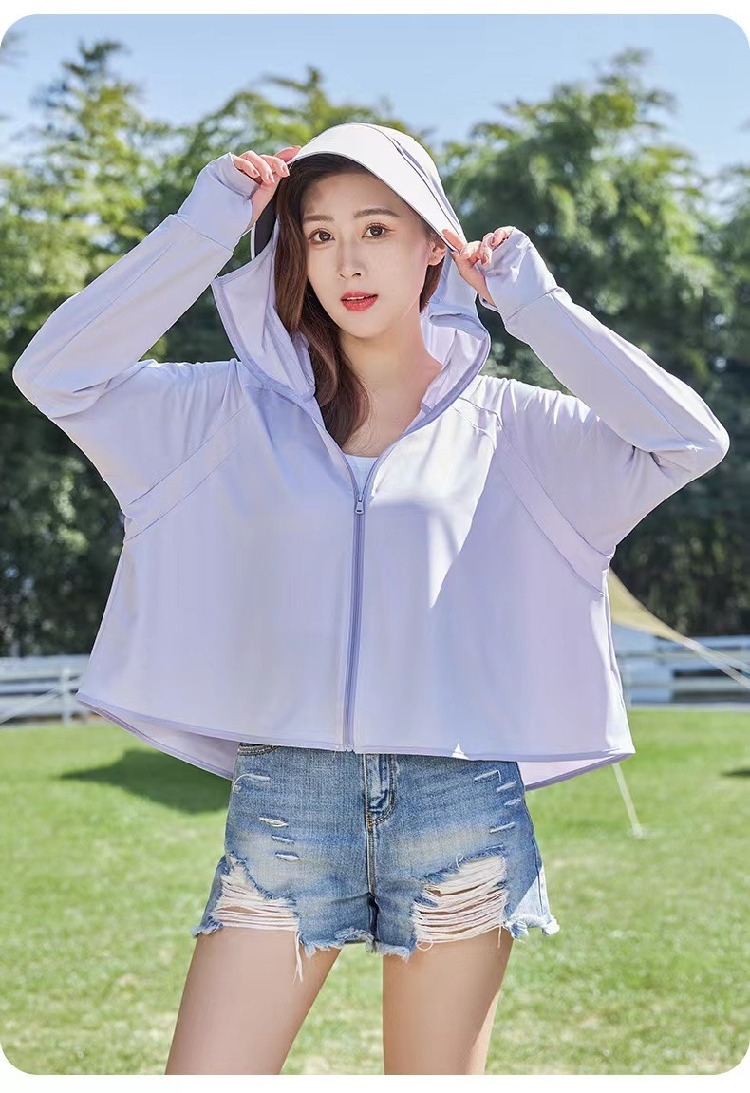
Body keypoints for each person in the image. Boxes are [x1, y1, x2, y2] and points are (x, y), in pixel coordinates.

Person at [12, 123, 730, 1075]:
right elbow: (54, 374)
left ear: (435, 243)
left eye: (378, 229)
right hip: (288, 804)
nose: (346, 261)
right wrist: (205, 226)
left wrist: (539, 307)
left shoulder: (514, 425)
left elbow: (690, 441)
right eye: (319, 234)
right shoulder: (226, 411)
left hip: (459, 808)